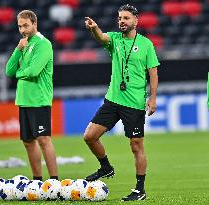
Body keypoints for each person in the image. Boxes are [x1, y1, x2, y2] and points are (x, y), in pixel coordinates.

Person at [84, 4, 160, 201]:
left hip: (134, 103)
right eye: (119, 18)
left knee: (136, 146)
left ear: (136, 20)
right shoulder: (115, 39)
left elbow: (153, 73)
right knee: (90, 136)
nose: (122, 21)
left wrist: (152, 98)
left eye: (126, 18)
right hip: (113, 100)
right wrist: (93, 28)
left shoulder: (146, 44)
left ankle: (140, 189)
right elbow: (101, 37)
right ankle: (106, 167)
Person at [5, 10, 58, 181]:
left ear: (35, 24)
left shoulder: (43, 44)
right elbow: (8, 70)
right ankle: (37, 181)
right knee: (28, 141)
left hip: (39, 99)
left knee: (43, 139)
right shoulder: (23, 45)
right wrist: (18, 50)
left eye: (26, 25)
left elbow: (34, 71)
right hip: (24, 99)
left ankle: (54, 181)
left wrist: (19, 73)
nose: (22, 30)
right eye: (20, 26)